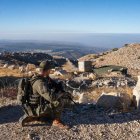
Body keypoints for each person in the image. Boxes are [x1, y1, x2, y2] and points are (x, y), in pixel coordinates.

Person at [19, 60, 69, 129]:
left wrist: (58, 86)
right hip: (36, 108)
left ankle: (36, 117)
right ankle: (56, 121)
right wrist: (61, 94)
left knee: (49, 114)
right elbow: (52, 98)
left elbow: (52, 85)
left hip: (35, 105)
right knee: (58, 101)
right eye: (50, 70)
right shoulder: (40, 82)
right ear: (47, 70)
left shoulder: (41, 77)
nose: (50, 71)